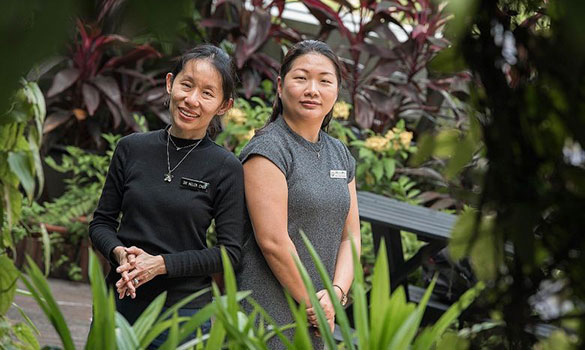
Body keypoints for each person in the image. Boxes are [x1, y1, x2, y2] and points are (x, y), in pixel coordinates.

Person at [89, 44, 244, 348]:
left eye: (207, 93)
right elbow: (101, 224)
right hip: (120, 300)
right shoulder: (131, 148)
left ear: (223, 106)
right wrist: (121, 255)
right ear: (170, 83)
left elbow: (230, 253)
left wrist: (160, 264)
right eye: (187, 85)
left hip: (181, 313)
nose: (192, 100)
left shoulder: (227, 168)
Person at [236, 40, 361, 349]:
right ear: (280, 86)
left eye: (324, 80)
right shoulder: (268, 149)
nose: (312, 89)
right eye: (301, 77)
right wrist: (314, 304)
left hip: (319, 315)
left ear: (336, 90)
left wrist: (336, 293)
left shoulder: (340, 154)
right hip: (268, 314)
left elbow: (352, 237)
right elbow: (273, 242)